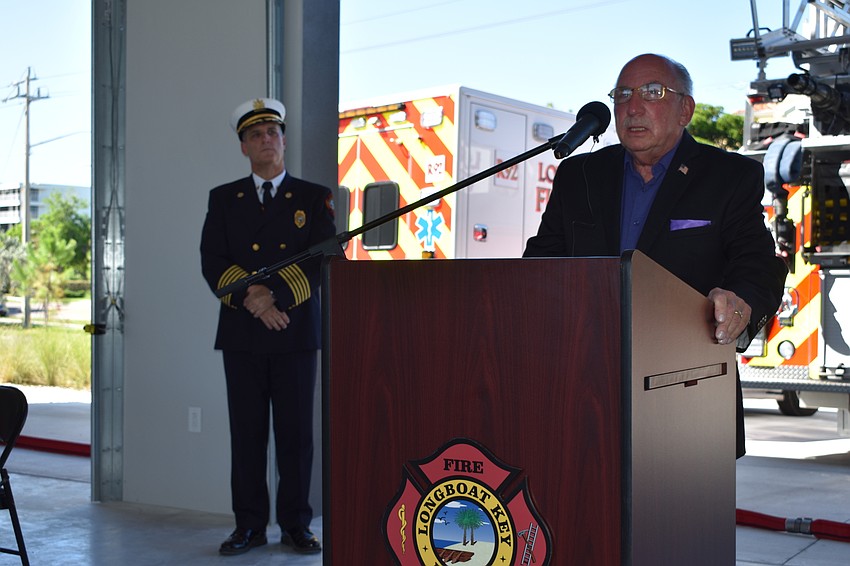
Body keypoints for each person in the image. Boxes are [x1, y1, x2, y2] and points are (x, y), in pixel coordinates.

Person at [524, 54, 787, 458]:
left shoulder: (729, 177)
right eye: (623, 94)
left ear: (686, 109)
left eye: (652, 92)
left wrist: (742, 299)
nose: (632, 107)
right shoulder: (580, 176)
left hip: (688, 390)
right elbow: (541, 264)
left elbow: (757, 262)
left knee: (682, 519)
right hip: (583, 386)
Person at [200, 98, 335, 555]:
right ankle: (250, 527)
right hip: (243, 334)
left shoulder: (313, 197)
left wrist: (273, 295)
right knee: (248, 436)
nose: (266, 141)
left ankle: (296, 526)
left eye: (273, 133)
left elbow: (322, 257)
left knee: (296, 437)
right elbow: (212, 260)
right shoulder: (223, 199)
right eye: (256, 135)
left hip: (295, 334)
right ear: (243, 146)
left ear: (283, 140)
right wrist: (253, 300)